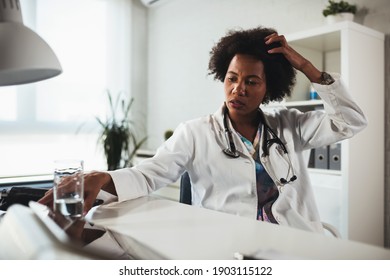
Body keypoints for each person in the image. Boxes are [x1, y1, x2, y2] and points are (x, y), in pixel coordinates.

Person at [39, 26, 367, 234]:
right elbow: (148, 175)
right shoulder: (194, 132)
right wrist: (103, 177)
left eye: (251, 81)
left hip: (296, 247)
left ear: (268, 89)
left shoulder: (289, 125)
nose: (239, 89)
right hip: (226, 249)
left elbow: (349, 121)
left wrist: (308, 68)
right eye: (232, 78)